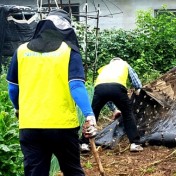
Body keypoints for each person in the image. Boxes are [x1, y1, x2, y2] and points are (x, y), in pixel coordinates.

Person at [6, 9, 97, 176]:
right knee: (72, 170)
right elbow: (76, 85)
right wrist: (90, 116)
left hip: (30, 126)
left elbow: (12, 88)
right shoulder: (68, 51)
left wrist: (19, 109)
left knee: (35, 173)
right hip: (61, 127)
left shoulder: (21, 51)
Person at [80, 57, 143, 152]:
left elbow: (107, 93)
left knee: (93, 115)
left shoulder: (104, 68)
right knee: (127, 114)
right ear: (120, 61)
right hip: (118, 88)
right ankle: (134, 143)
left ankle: (84, 144)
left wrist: (114, 110)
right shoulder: (124, 64)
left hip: (99, 89)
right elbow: (136, 82)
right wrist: (138, 90)